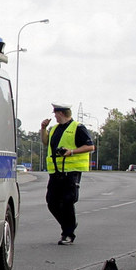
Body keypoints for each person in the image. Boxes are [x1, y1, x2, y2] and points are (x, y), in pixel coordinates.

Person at [40, 103, 95, 245]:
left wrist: (71, 152)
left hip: (71, 171)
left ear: (61, 113)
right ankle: (68, 225)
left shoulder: (78, 127)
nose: (54, 116)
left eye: (55, 113)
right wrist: (43, 129)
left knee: (67, 201)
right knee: (51, 202)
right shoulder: (55, 129)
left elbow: (90, 146)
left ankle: (68, 234)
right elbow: (46, 142)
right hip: (56, 171)